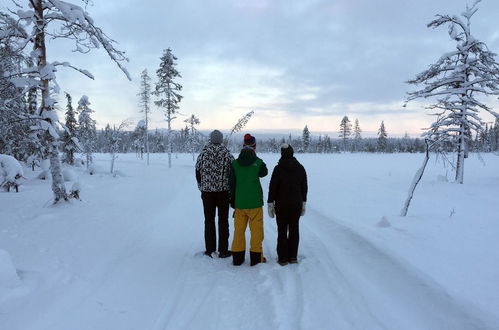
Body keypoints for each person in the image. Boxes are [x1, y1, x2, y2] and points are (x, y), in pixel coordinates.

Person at [229, 133, 268, 266]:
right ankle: (256, 258)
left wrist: (232, 201)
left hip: (240, 204)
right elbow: (264, 173)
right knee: (256, 231)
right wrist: (255, 159)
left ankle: (237, 258)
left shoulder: (234, 164)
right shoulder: (258, 163)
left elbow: (231, 184)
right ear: (254, 147)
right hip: (255, 203)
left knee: (239, 231)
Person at [195, 130, 234, 258]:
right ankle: (223, 250)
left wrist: (202, 187)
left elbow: (197, 171)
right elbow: (233, 173)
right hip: (223, 192)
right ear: (221, 140)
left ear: (211, 139)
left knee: (209, 220)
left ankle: (210, 249)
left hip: (207, 193)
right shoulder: (227, 154)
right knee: (223, 221)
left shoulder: (203, 154)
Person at [267, 144, 308, 266]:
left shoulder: (278, 168)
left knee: (282, 230)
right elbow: (304, 187)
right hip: (296, 204)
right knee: (294, 228)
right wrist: (303, 202)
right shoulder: (300, 168)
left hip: (281, 204)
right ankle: (293, 257)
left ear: (281, 154)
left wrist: (270, 203)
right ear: (292, 153)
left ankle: (283, 258)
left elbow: (272, 187)